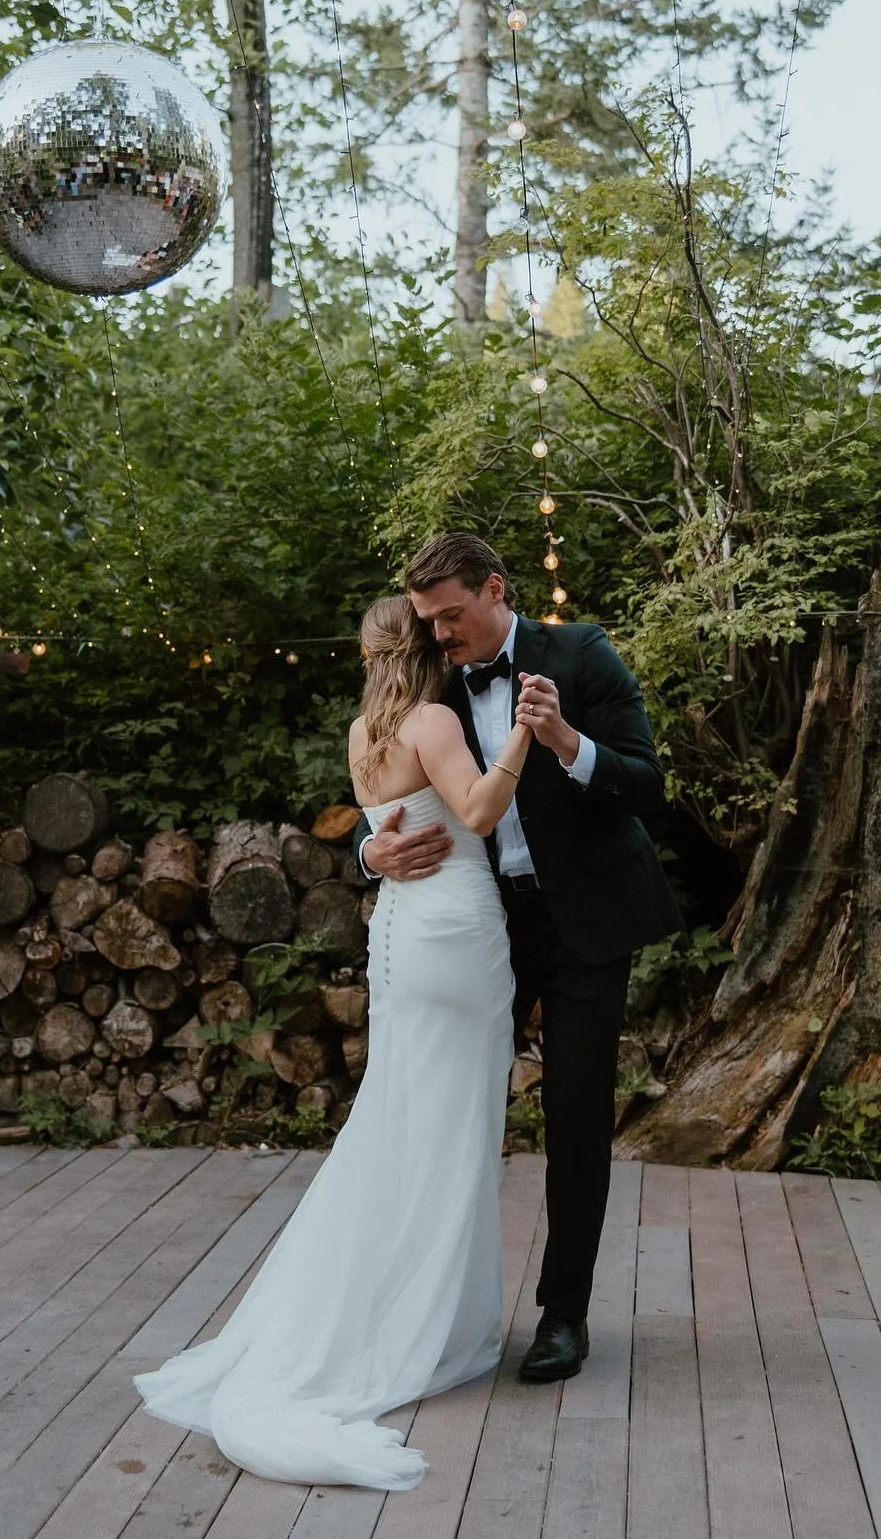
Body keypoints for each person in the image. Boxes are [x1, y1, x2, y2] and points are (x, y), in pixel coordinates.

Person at [132, 590, 537, 1491]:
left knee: (397, 1126)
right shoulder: (435, 720)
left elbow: (384, 830)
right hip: (452, 940)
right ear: (423, 649)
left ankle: (402, 1309)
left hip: (397, 937)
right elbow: (473, 815)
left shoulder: (364, 732)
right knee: (447, 1131)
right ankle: (427, 1326)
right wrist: (523, 736)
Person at [352, 532, 682, 1383]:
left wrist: (568, 741)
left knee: (575, 1117)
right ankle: (428, 1306)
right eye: (426, 621)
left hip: (583, 926)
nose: (438, 636)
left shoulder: (580, 651)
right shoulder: (430, 683)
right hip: (475, 928)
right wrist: (367, 854)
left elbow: (649, 784)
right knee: (443, 1107)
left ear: (496, 589)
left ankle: (562, 1316)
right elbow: (389, 783)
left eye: (451, 616)